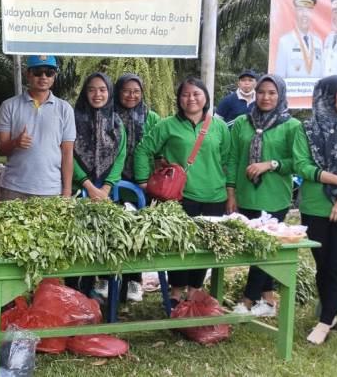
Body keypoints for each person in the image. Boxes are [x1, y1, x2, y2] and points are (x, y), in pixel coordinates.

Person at [135, 78, 231, 307]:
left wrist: (230, 192)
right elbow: (143, 149)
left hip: (215, 196)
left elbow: (228, 159)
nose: (191, 99)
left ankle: (195, 290)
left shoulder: (218, 126)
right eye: (186, 94)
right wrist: (143, 182)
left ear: (206, 97)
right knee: (178, 245)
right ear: (179, 99)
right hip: (180, 196)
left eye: (196, 94)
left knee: (205, 247)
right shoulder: (168, 125)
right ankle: (176, 292)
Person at [292, 75, 337, 345]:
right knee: (322, 263)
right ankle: (331, 313)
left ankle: (324, 322)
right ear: (326, 96)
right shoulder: (306, 129)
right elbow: (302, 166)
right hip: (315, 205)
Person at [225, 75, 299, 317]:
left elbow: (298, 163)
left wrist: (271, 164)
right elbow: (234, 158)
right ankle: (267, 301)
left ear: (281, 96)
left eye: (272, 93)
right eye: (262, 92)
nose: (266, 97)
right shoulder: (241, 122)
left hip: (274, 197)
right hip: (246, 196)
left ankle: (247, 300)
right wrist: (231, 193)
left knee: (263, 249)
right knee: (255, 249)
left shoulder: (291, 126)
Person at [70, 73, 128, 298]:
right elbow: (68, 154)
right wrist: (87, 184)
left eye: (102, 89)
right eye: (92, 89)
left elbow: (120, 155)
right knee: (76, 244)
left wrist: (106, 188)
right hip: (78, 191)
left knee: (99, 244)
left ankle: (94, 293)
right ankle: (74, 292)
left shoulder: (116, 121)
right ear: (85, 92)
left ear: (109, 92)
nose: (97, 94)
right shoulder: (73, 119)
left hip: (105, 194)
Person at [0, 55, 76, 199]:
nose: (43, 77)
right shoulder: (9, 106)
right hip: (14, 188)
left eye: (49, 72)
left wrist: (67, 191)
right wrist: (15, 142)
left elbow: (67, 153)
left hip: (51, 190)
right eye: (38, 72)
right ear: (28, 74)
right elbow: (0, 149)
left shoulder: (65, 109)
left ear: (54, 75)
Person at [113, 73, 161, 302]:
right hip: (113, 182)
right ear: (118, 92)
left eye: (136, 91)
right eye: (126, 91)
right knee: (114, 233)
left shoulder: (151, 118)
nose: (131, 95)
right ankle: (107, 280)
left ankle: (134, 281)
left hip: (143, 183)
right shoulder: (109, 115)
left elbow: (159, 150)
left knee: (137, 233)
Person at [274, 0, 324, 78]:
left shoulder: (318, 42)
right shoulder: (285, 41)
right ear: (295, 12)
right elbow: (279, 78)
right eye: (301, 9)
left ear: (312, 13)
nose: (305, 14)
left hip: (315, 93)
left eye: (308, 10)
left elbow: (322, 75)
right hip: (293, 92)